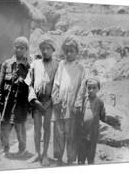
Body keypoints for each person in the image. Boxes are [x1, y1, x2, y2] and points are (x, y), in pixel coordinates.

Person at [51, 36, 86, 165]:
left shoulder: (81, 68)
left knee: (71, 134)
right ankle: (59, 158)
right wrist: (55, 100)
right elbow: (56, 83)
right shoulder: (61, 65)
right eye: (66, 51)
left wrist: (77, 103)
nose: (69, 53)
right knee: (59, 132)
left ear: (77, 51)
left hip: (72, 106)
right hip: (60, 104)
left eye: (72, 51)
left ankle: (71, 159)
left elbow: (82, 87)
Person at [0, 36, 30, 158]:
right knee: (4, 125)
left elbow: (31, 87)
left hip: (21, 103)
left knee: (20, 126)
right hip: (7, 102)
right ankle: (5, 148)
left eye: (22, 48)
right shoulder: (6, 64)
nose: (19, 50)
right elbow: (0, 84)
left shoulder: (29, 67)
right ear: (13, 48)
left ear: (26, 49)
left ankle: (22, 149)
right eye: (17, 47)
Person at [26, 36, 59, 166]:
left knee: (46, 128)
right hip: (37, 102)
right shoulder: (35, 64)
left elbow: (58, 84)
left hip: (49, 101)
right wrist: (33, 100)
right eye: (43, 48)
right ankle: (37, 154)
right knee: (37, 128)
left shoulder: (57, 65)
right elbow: (29, 83)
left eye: (48, 48)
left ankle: (45, 154)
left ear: (52, 50)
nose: (45, 51)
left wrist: (51, 101)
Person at [78, 78, 107, 164]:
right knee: (81, 156)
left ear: (98, 89)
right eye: (89, 87)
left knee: (91, 156)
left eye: (94, 88)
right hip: (83, 132)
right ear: (86, 88)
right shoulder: (84, 100)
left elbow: (103, 116)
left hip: (93, 133)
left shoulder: (100, 102)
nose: (91, 90)